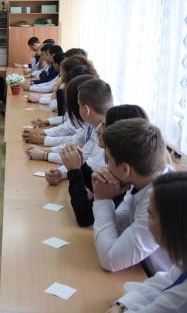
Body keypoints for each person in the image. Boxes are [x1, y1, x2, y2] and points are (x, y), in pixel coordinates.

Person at [92, 118, 172, 274]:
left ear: (125, 169)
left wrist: (101, 199)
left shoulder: (162, 201)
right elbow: (119, 227)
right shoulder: (145, 180)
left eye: (108, 159)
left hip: (158, 280)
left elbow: (110, 260)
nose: (105, 165)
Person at [107, 171, 187, 313]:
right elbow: (158, 284)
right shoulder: (183, 263)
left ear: (172, 226)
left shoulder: (183, 298)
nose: (146, 221)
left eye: (150, 215)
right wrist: (122, 305)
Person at [61, 105, 148, 227]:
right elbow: (101, 186)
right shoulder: (122, 161)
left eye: (103, 125)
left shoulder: (125, 170)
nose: (97, 130)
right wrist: (81, 165)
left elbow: (84, 216)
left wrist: (74, 171)